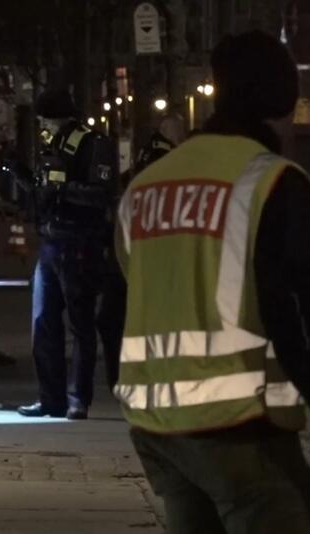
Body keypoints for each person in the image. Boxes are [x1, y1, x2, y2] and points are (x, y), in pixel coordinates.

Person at [113, 31, 310, 533]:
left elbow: (126, 298)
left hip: (154, 425)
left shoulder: (145, 187)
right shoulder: (271, 183)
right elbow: (296, 321)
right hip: (235, 426)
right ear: (287, 100)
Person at [17, 88, 117, 420]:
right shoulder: (54, 144)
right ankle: (51, 399)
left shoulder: (94, 144)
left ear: (57, 116)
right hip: (51, 243)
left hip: (79, 244)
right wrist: (24, 180)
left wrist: (59, 189)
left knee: (80, 324)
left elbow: (102, 194)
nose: (43, 124)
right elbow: (45, 190)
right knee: (43, 323)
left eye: (45, 117)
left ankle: (78, 399)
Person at [98, 114, 186, 392]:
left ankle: (123, 377)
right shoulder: (169, 159)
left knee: (114, 319)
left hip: (132, 251)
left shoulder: (150, 158)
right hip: (145, 254)